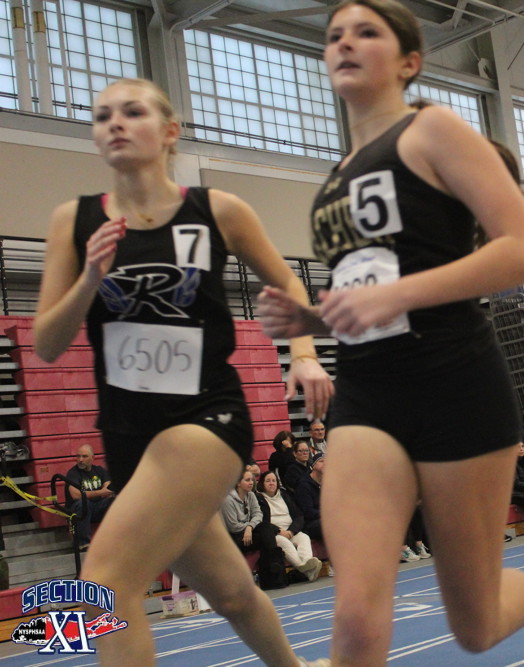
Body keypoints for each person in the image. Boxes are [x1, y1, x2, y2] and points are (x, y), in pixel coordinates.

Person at [255, 3, 524, 662]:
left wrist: (394, 294)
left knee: (475, 623)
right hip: (366, 397)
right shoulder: (335, 178)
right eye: (335, 35)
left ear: (409, 61)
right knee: (355, 614)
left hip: (454, 385)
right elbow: (375, 291)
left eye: (366, 32)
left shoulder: (430, 129)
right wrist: (316, 321)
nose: (345, 43)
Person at [31, 77, 332, 666]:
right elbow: (46, 342)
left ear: (170, 131)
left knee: (105, 582)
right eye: (103, 116)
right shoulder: (75, 221)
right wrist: (88, 279)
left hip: (206, 418)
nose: (115, 123)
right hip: (128, 437)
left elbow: (287, 283)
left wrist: (303, 353)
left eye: (132, 112)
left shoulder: (217, 210)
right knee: (232, 593)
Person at [257, 470, 323, 582]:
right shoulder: (259, 499)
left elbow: (298, 516)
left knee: (304, 537)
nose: (271, 483)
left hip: (291, 530)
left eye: (274, 481)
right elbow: (261, 522)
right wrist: (279, 531)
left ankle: (307, 563)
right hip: (275, 534)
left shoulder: (284, 495)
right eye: (268, 481)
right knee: (284, 542)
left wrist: (292, 531)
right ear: (262, 483)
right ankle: (303, 567)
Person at [64, 444, 115, 548]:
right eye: (78, 456)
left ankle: (119, 539)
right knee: (83, 503)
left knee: (116, 500)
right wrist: (100, 492)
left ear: (92, 458)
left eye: (84, 456)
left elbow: (108, 488)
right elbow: (76, 495)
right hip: (77, 509)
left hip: (97, 507)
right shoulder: (73, 473)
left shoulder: (100, 470)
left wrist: (107, 492)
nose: (80, 460)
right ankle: (83, 543)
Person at [293, 454, 325, 541]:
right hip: (310, 524)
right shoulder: (304, 486)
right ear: (313, 466)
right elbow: (308, 512)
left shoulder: (328, 483)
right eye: (321, 461)